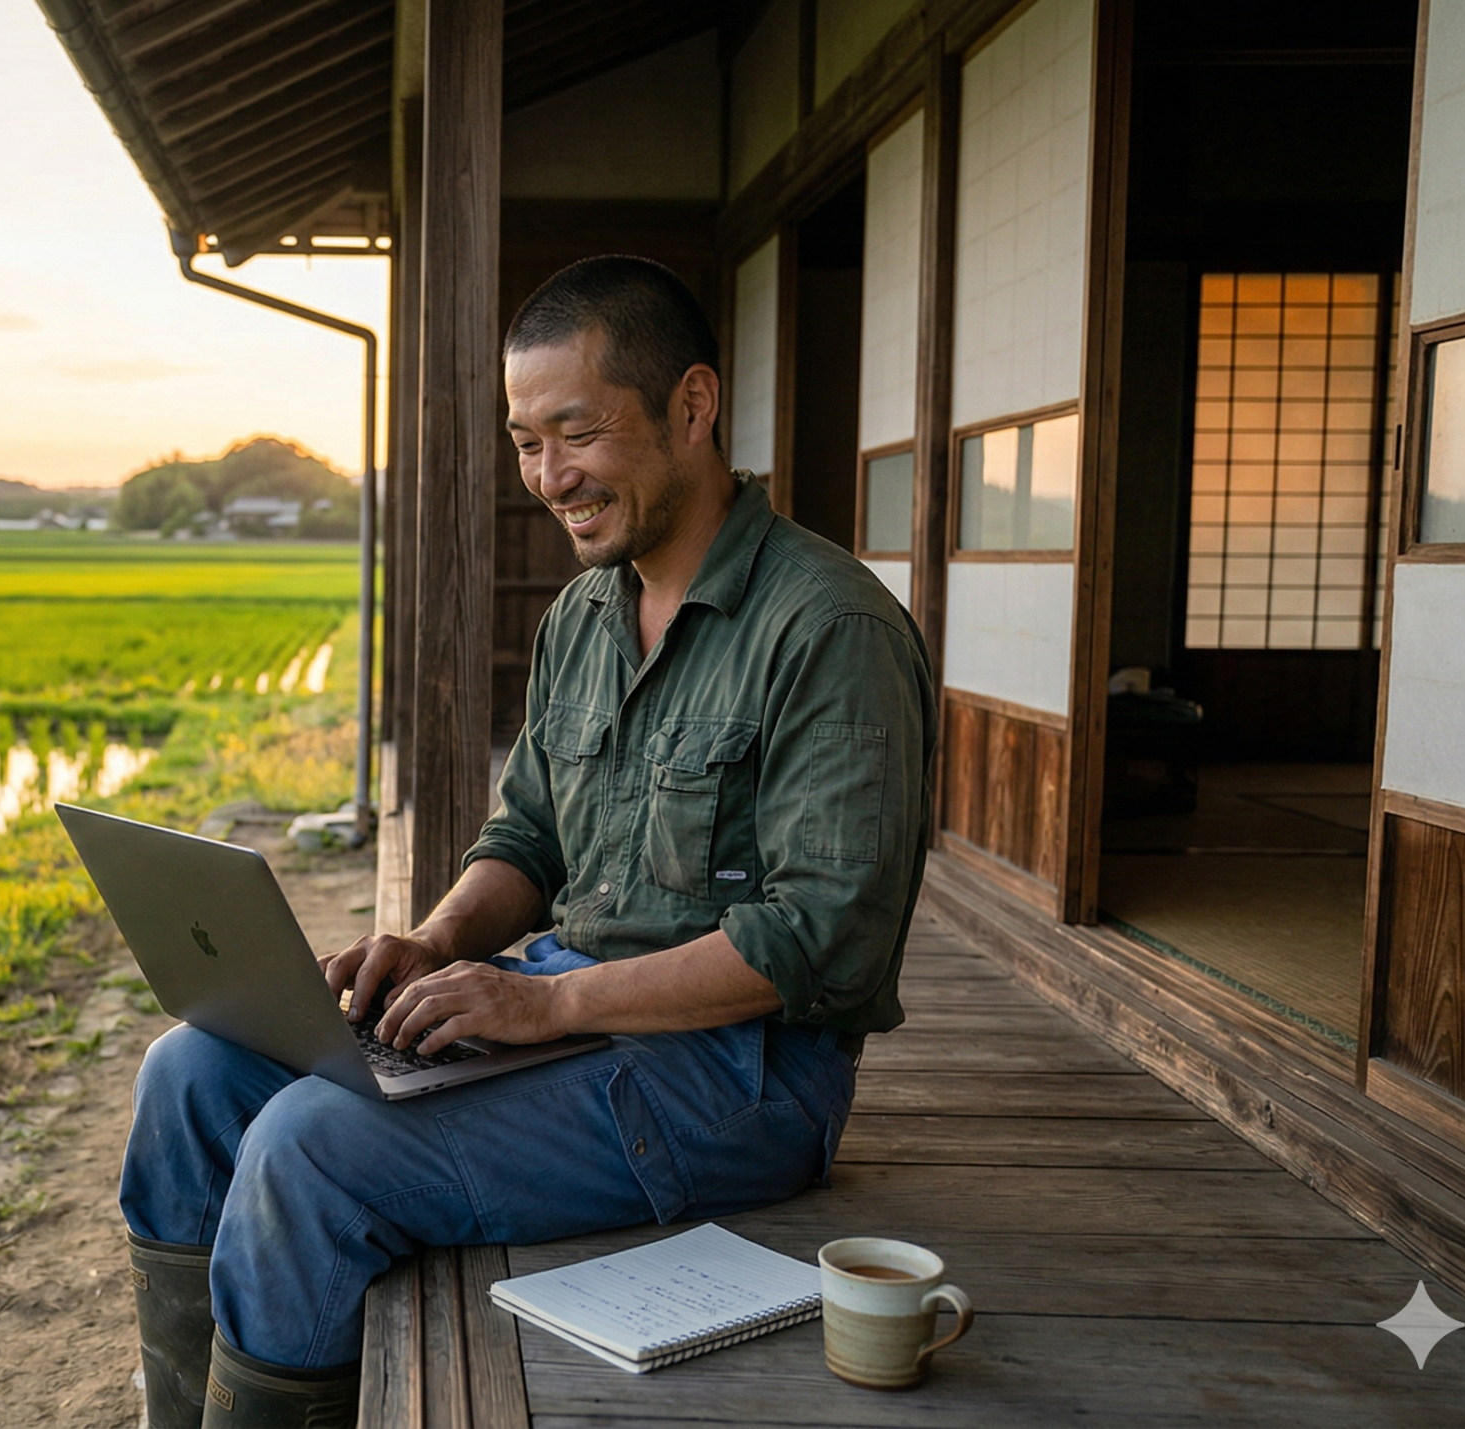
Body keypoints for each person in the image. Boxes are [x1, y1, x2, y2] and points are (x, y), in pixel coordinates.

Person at [119, 255, 936, 1429]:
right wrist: (437, 939)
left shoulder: (827, 628)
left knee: (310, 1148)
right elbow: (530, 835)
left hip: (742, 1080)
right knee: (191, 1074)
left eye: (578, 433)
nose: (551, 477)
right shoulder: (583, 617)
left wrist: (548, 1004)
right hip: (572, 1010)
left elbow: (820, 942)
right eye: (525, 443)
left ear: (692, 407)